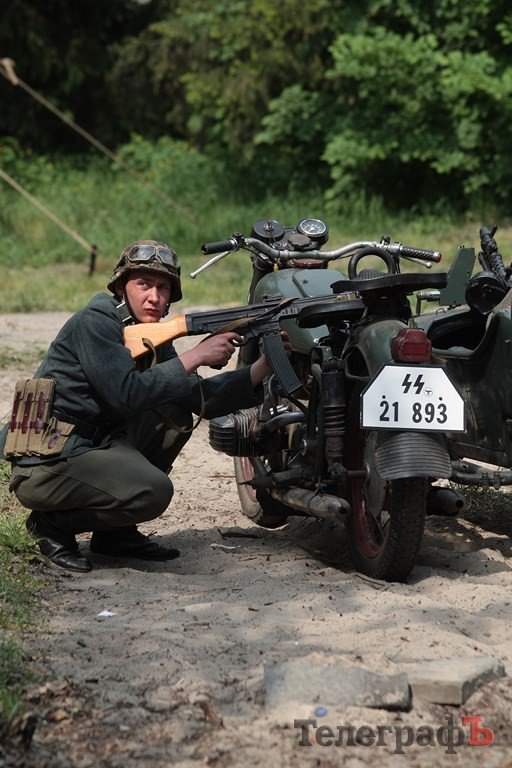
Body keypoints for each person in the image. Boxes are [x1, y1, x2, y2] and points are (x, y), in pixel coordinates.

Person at [0, 240, 279, 573]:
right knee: (153, 492)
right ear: (122, 287)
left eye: (163, 288)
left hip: (90, 446)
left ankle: (115, 534)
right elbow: (125, 395)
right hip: (47, 463)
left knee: (175, 410)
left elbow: (200, 397)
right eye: (143, 284)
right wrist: (197, 355)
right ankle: (50, 526)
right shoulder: (98, 319)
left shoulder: (146, 335)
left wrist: (265, 365)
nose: (154, 296)